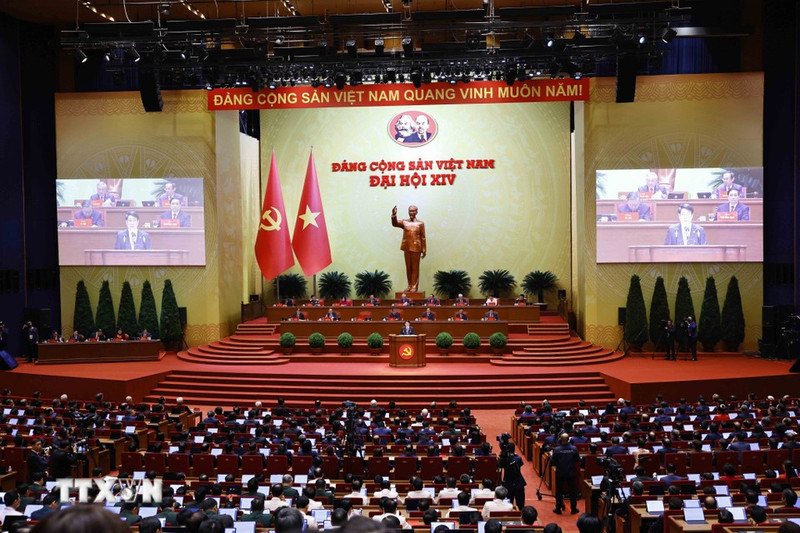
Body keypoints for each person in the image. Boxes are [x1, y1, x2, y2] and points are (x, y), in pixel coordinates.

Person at [391, 205, 426, 292]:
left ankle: (414, 286)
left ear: (416, 212)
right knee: (408, 267)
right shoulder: (404, 222)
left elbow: (423, 237)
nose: (411, 213)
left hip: (416, 248)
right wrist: (394, 215)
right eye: (410, 211)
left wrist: (424, 249)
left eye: (413, 211)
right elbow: (395, 223)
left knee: (415, 267)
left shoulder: (420, 224)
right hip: (406, 247)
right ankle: (409, 285)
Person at [550, 433, 580, 515]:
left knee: (559, 491)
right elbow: (577, 459)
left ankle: (558, 508)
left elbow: (552, 461)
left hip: (560, 472)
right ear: (568, 439)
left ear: (560, 440)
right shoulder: (574, 449)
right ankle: (573, 508)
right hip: (571, 472)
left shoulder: (556, 449)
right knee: (572, 491)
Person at [499, 442, 526, 510]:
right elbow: (521, 464)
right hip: (518, 483)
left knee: (508, 505)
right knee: (520, 505)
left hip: (508, 484)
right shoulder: (518, 458)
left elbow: (500, 465)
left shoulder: (504, 460)